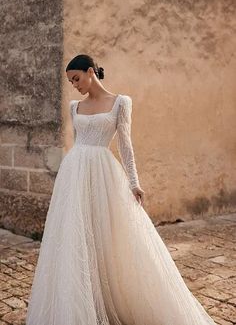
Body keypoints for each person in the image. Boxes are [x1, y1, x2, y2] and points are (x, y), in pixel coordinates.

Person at [26, 54, 217, 325]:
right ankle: (80, 303)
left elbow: (126, 146)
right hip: (74, 175)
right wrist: (70, 175)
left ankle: (106, 298)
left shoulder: (120, 103)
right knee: (75, 235)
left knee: (106, 234)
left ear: (91, 71)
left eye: (77, 78)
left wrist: (134, 182)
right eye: (71, 82)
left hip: (103, 173)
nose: (75, 85)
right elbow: (78, 142)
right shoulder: (74, 106)